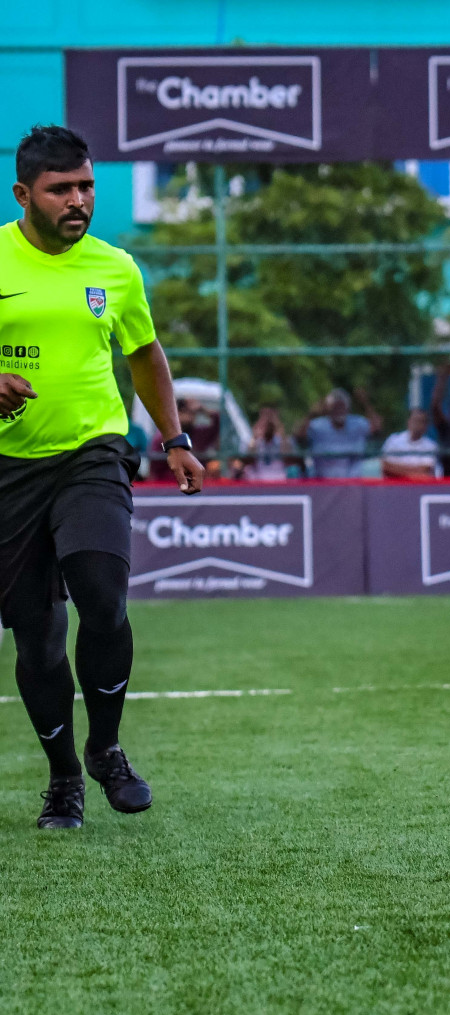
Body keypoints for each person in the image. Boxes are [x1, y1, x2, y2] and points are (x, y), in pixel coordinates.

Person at [0, 125, 205, 829]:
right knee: (35, 635)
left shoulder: (116, 268)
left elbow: (145, 353)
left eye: (86, 186)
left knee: (103, 595)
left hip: (95, 452)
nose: (79, 200)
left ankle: (107, 748)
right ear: (24, 193)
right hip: (9, 470)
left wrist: (174, 437)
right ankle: (62, 778)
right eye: (62, 189)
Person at [295, 387, 380, 479]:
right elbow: (298, 436)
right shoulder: (318, 425)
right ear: (329, 409)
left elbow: (377, 428)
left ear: (347, 408)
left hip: (353, 483)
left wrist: (365, 403)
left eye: (341, 406)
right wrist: (312, 413)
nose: (339, 410)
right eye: (335, 407)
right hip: (324, 482)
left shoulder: (358, 423)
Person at [381, 409, 440, 479]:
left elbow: (425, 470)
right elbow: (386, 466)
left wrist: (397, 471)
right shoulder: (393, 440)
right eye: (415, 420)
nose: (418, 424)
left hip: (420, 488)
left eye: (422, 421)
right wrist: (415, 474)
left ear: (426, 425)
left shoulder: (431, 446)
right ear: (408, 421)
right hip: (394, 486)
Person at [245, 404, 292, 482]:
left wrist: (277, 423)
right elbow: (248, 454)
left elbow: (288, 453)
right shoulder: (256, 441)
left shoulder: (280, 440)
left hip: (279, 478)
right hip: (260, 478)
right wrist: (259, 428)